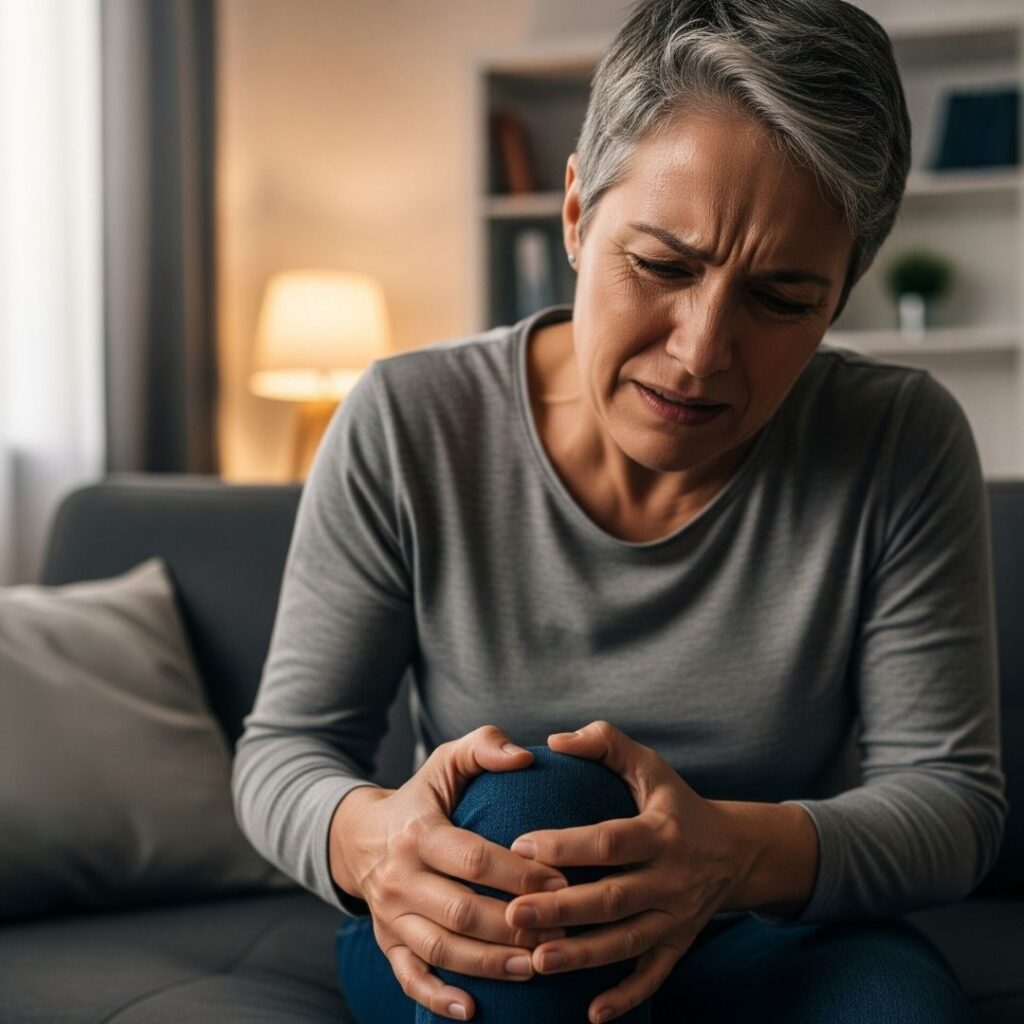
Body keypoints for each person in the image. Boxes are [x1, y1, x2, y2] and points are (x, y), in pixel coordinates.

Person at [231, 0, 1008, 1021]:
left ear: (842, 293)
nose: (699, 351)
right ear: (574, 215)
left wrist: (723, 857)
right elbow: (283, 749)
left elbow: (950, 803)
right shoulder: (409, 418)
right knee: (533, 802)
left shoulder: (897, 438)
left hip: (774, 930)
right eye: (661, 265)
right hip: (501, 921)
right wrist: (376, 843)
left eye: (781, 300)